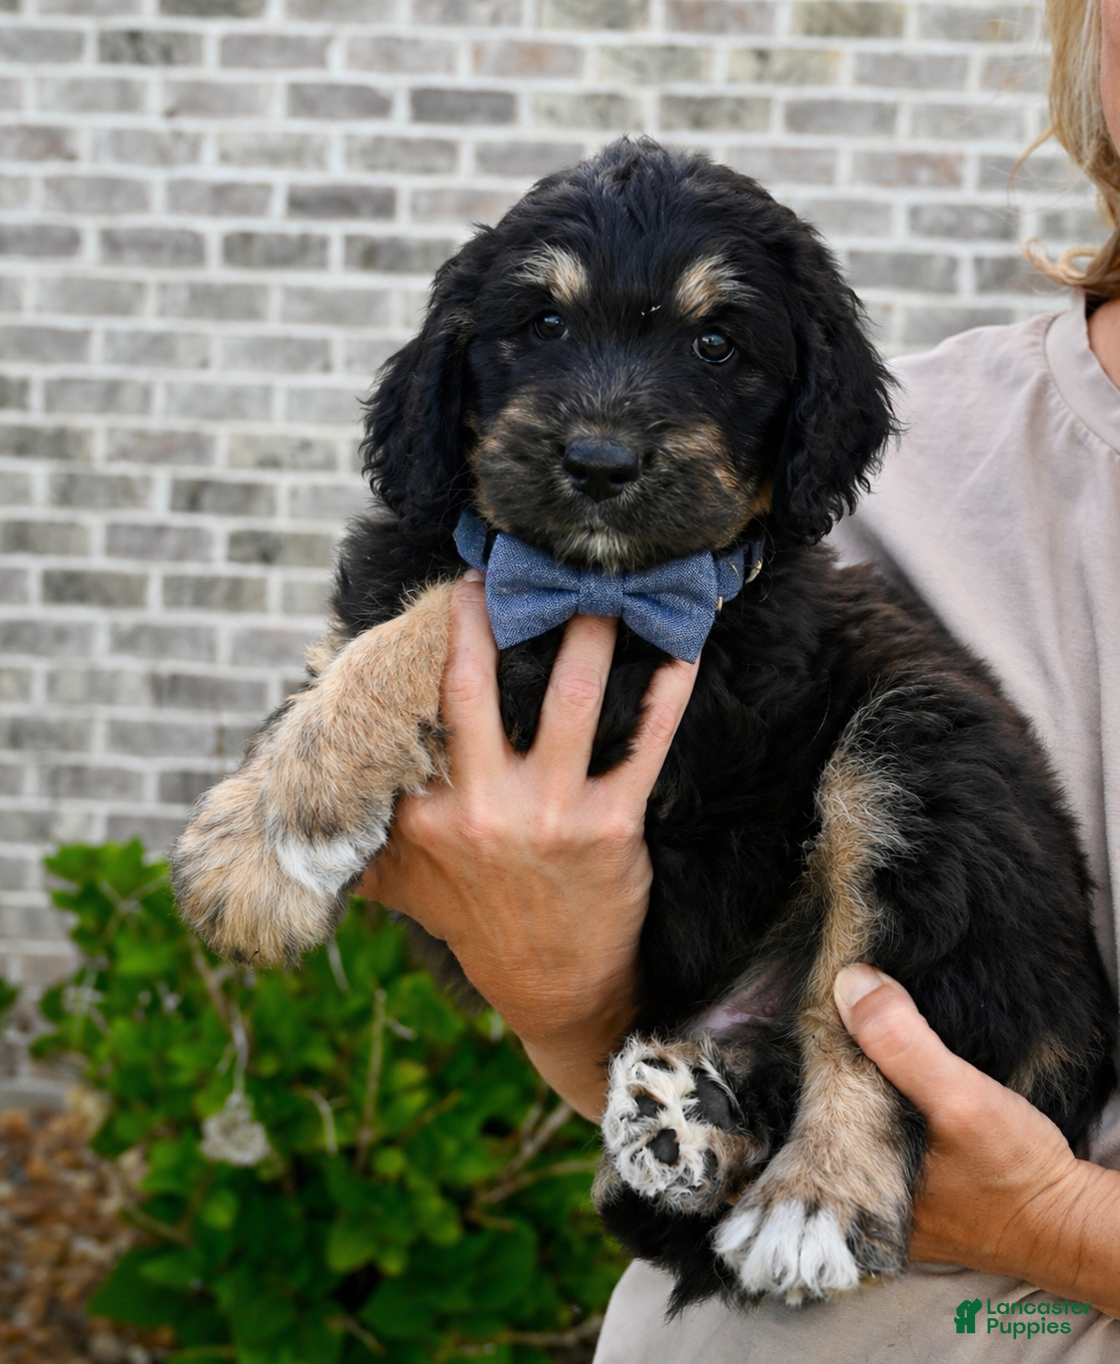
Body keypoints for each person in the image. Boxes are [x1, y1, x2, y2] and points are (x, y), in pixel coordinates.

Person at [356, 0, 1120, 1351]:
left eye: (709, 347)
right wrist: (555, 980)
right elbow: (640, 1048)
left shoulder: (795, 415)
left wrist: (1053, 1222)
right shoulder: (851, 451)